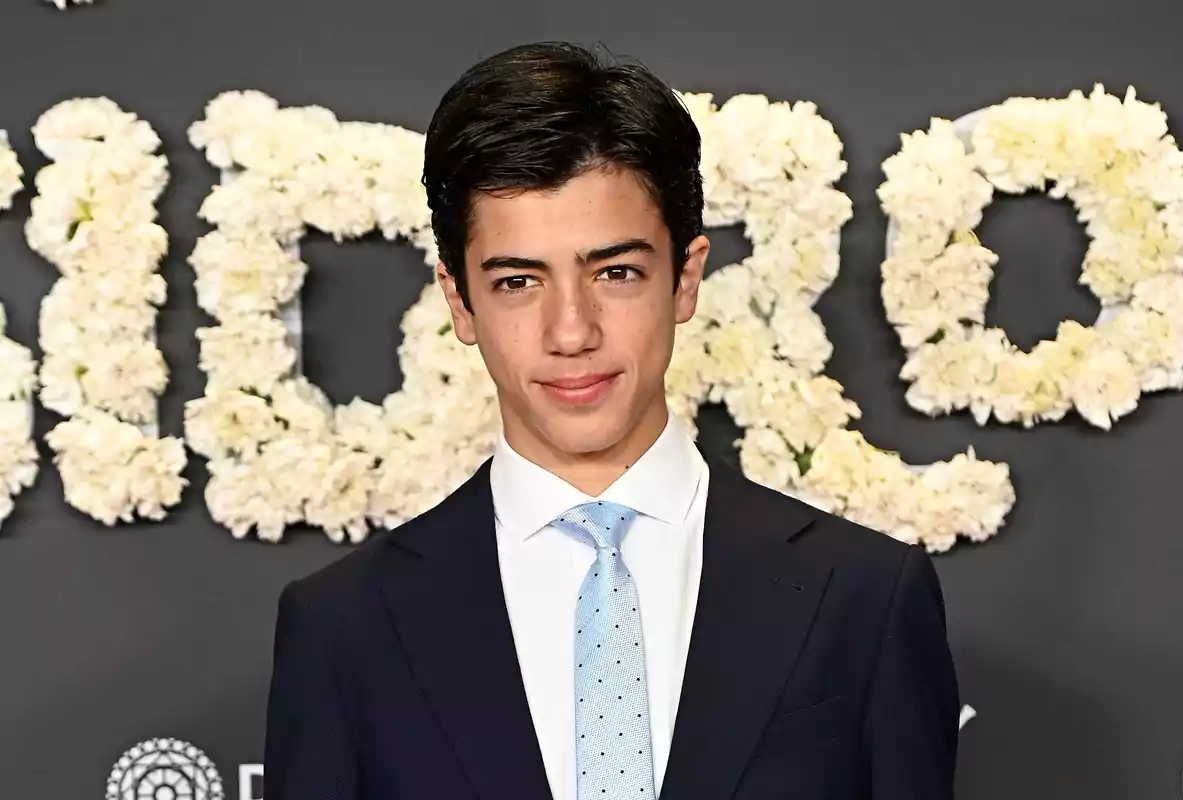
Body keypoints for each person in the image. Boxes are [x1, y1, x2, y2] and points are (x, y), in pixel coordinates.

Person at [263, 41, 960, 800]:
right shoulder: (343, 628)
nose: (572, 331)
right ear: (459, 301)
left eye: (616, 273)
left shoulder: (864, 597)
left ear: (685, 279)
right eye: (519, 282)